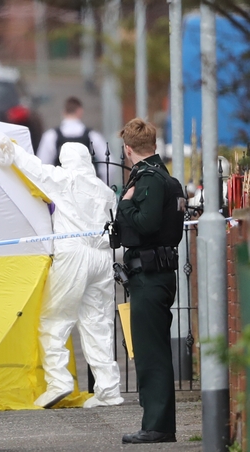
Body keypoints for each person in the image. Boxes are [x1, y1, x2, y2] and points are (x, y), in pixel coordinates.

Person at [0, 127, 124, 410]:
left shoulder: (65, 179)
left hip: (73, 253)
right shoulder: (104, 190)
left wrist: (5, 144)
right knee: (98, 324)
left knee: (54, 320)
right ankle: (109, 390)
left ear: (66, 161)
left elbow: (33, 168)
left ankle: (59, 381)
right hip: (101, 258)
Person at [115, 118, 185, 444]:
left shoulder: (149, 180)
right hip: (153, 274)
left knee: (150, 354)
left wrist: (126, 204)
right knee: (149, 351)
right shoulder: (161, 176)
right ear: (153, 146)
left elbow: (146, 221)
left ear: (128, 149)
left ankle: (157, 426)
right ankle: (156, 423)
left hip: (150, 276)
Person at [35, 97, 110, 183]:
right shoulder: (93, 136)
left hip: (60, 191)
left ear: (63, 112)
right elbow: (109, 166)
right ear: (80, 111)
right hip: (88, 190)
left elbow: (42, 167)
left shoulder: (51, 136)